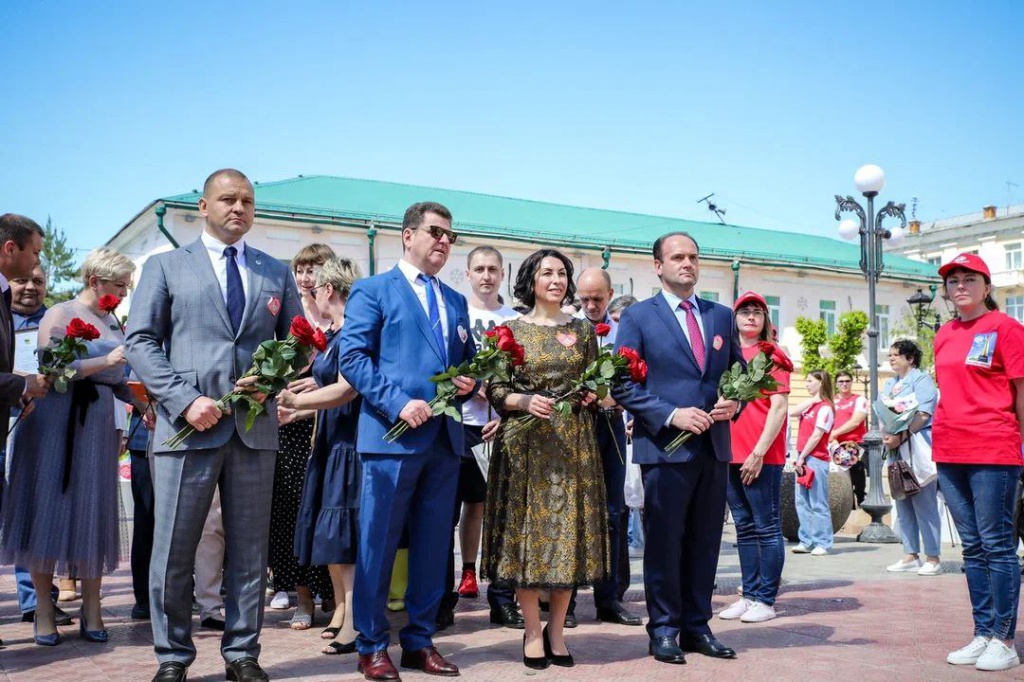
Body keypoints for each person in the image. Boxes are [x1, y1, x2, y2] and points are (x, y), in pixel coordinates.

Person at [125, 169, 303, 682]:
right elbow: (140, 342)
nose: (239, 208)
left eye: (247, 201)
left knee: (249, 551)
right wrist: (185, 400)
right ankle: (173, 657)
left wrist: (273, 381)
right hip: (189, 429)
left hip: (254, 430)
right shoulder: (164, 267)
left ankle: (243, 653)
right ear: (203, 206)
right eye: (228, 199)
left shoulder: (275, 270)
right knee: (174, 550)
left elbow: (297, 345)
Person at [339, 201, 477, 681]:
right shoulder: (373, 290)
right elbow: (353, 358)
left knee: (435, 547)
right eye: (435, 232)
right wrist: (397, 403)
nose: (443, 241)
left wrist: (470, 383)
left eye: (449, 236)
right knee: (377, 546)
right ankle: (371, 645)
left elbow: (469, 362)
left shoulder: (455, 300)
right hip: (391, 439)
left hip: (443, 440)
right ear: (407, 235)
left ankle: (419, 641)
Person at [612, 232, 743, 665]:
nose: (687, 263)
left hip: (713, 448)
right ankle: (664, 629)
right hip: (664, 448)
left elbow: (737, 376)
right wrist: (671, 415)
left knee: (706, 542)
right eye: (677, 257)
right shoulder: (639, 318)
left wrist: (735, 401)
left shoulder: (721, 316)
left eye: (693, 256)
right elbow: (622, 385)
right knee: (665, 543)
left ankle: (697, 626)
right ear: (658, 266)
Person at [1, 247, 139, 646]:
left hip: (96, 425)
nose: (124, 294)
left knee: (91, 513)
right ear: (95, 282)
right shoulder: (60, 313)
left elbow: (119, 379)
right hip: (53, 421)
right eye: (119, 285)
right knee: (50, 510)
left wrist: (146, 405)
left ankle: (92, 607)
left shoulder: (114, 321)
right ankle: (43, 608)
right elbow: (51, 364)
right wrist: (106, 360)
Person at [482, 249, 608, 670]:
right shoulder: (509, 330)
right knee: (529, 539)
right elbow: (497, 391)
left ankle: (557, 630)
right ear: (530, 280)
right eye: (546, 273)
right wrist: (524, 399)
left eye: (562, 273)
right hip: (526, 446)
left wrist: (594, 396)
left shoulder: (583, 331)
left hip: (574, 445)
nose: (555, 280)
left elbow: (598, 388)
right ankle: (532, 630)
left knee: (566, 538)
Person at [932, 253, 1024, 672]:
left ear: (988, 287)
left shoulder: (1007, 329)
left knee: (997, 545)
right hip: (950, 450)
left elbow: (1021, 392)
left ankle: (1004, 639)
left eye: (970, 279)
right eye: (953, 281)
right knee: (971, 547)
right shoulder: (945, 334)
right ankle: (983, 632)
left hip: (994, 449)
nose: (961, 286)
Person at [277, 257, 363, 655]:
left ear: (329, 290)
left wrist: (298, 400)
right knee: (331, 531)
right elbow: (329, 395)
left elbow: (347, 391)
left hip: (348, 444)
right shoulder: (334, 335)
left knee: (344, 531)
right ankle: (342, 609)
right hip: (329, 439)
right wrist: (296, 408)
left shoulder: (352, 336)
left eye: (316, 290)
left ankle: (354, 615)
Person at [437, 245, 524, 631]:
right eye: (479, 269)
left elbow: (523, 376)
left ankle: (496, 591)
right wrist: (472, 387)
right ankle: (442, 594)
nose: (486, 275)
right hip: (457, 422)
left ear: (502, 274)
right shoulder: (457, 314)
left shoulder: (514, 320)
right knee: (445, 510)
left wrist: (503, 404)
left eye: (493, 269)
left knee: (492, 509)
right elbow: (443, 366)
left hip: (500, 425)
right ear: (468, 274)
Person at [268, 243, 336, 629]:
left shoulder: (339, 320)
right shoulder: (290, 322)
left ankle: (331, 591)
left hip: (328, 425)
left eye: (315, 269)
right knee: (291, 511)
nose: (307, 277)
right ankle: (301, 598)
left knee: (328, 510)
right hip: (290, 428)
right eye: (302, 269)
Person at [571, 267, 642, 627]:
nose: (591, 306)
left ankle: (610, 598)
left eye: (597, 299)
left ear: (610, 294)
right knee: (570, 513)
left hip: (611, 426)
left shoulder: (624, 333)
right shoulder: (567, 330)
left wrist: (616, 398)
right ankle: (563, 602)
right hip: (574, 427)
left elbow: (635, 378)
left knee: (614, 513)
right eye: (584, 299)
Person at [5, 264, 71, 627]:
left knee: (35, 514)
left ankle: (38, 601)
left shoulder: (58, 323)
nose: (31, 288)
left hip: (42, 427)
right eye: (22, 280)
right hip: (6, 419)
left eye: (39, 281)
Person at [719, 291, 791, 624]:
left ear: (765, 320)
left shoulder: (771, 354)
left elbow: (778, 407)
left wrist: (759, 452)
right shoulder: (730, 354)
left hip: (762, 454)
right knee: (744, 529)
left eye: (757, 312)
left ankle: (766, 598)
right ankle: (748, 595)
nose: (751, 317)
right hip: (731, 453)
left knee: (767, 526)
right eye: (744, 311)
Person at [0, 215, 49, 648]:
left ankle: (35, 599)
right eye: (33, 251)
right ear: (10, 249)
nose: (35, 270)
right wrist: (21, 383)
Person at [881, 340, 942, 577]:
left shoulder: (922, 380)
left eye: (896, 355)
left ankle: (933, 557)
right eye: (890, 355)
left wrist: (903, 434)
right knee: (901, 499)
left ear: (910, 358)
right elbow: (883, 411)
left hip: (917, 446)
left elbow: (924, 413)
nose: (892, 359)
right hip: (895, 448)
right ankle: (910, 554)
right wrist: (887, 434)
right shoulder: (889, 383)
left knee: (924, 503)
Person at [791, 370, 835, 556]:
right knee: (802, 501)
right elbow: (791, 412)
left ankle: (823, 542)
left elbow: (817, 435)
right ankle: (806, 540)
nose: (807, 384)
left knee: (818, 502)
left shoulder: (826, 408)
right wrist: (812, 400)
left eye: (810, 381)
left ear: (820, 382)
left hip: (815, 458)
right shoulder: (811, 405)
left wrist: (802, 457)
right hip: (803, 456)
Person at [829, 371, 869, 506]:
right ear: (836, 384)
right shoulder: (831, 400)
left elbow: (855, 422)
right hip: (835, 443)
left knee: (856, 471)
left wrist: (834, 433)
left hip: (855, 443)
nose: (844, 384)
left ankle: (861, 498)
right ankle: (848, 504)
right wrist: (832, 438)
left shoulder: (859, 399)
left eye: (847, 381)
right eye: (841, 381)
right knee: (841, 476)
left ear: (851, 382)